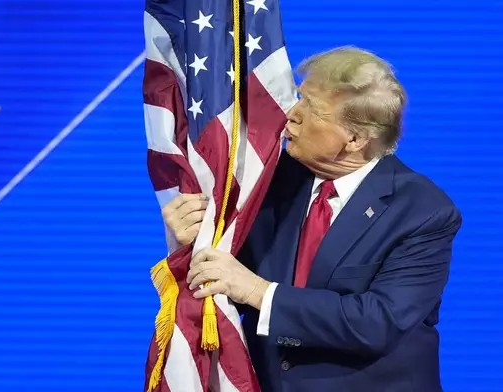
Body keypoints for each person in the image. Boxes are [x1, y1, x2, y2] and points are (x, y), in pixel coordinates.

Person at [161, 46, 462, 391]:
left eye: (311, 108)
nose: (292, 113)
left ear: (355, 138)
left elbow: (377, 321)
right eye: (300, 97)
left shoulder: (423, 211)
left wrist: (259, 292)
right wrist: (195, 237)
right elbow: (229, 271)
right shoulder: (266, 180)